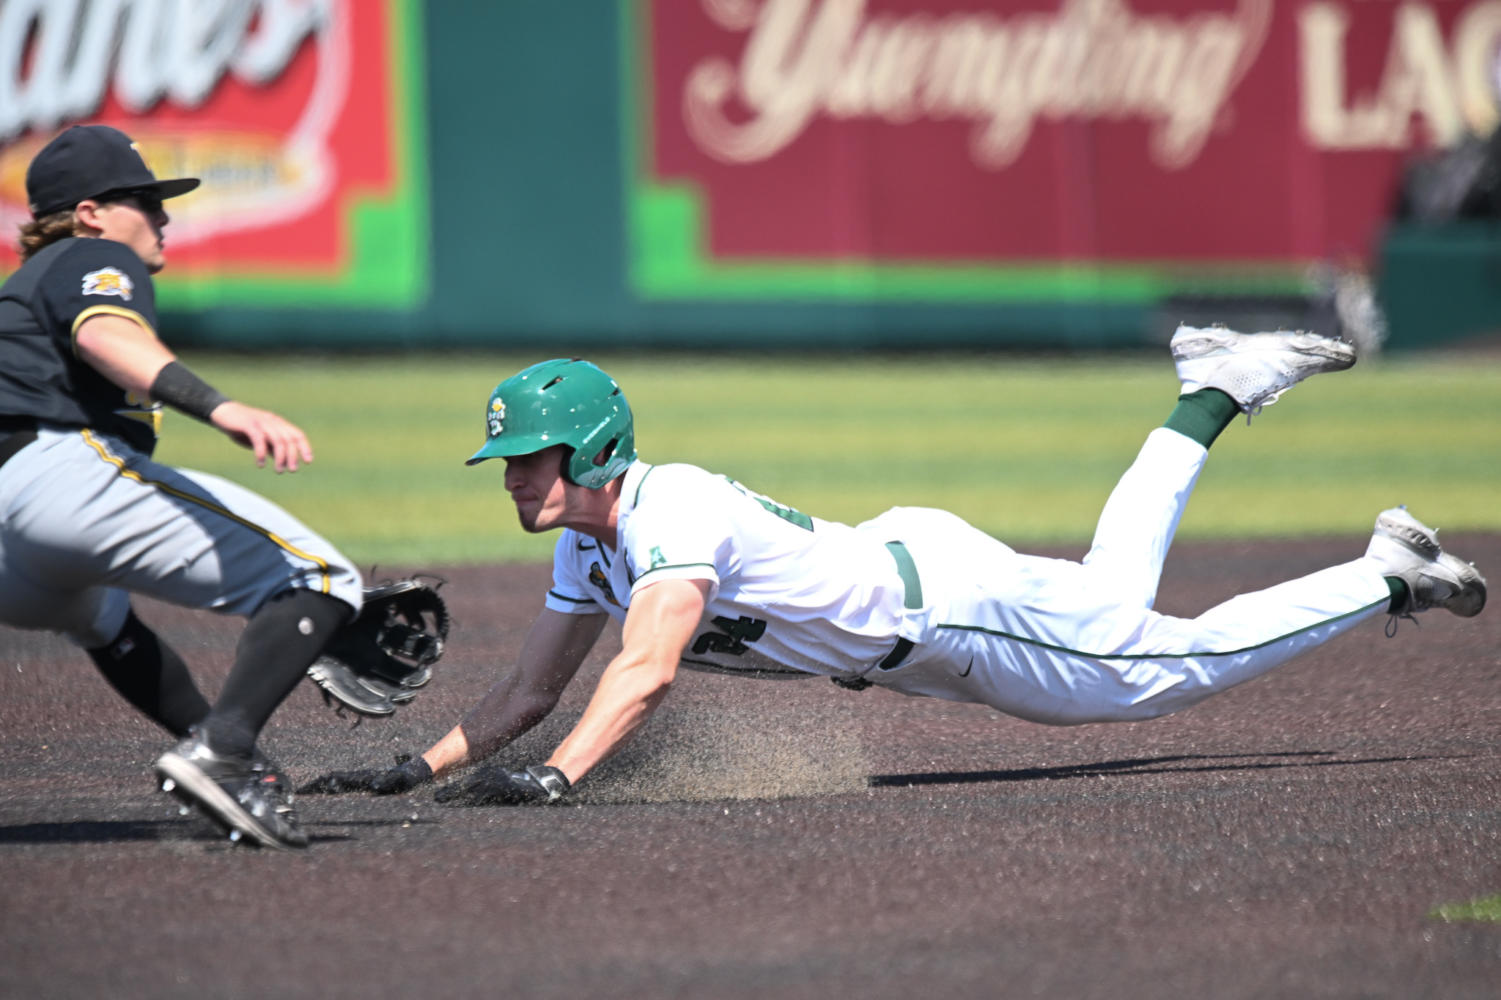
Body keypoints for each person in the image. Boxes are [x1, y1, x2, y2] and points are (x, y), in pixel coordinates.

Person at [306, 335, 1486, 805]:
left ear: (598, 451)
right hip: (917, 593)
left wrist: (558, 781)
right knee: (1116, 598)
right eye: (506, 459)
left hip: (955, 616)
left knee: (1161, 665)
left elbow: (648, 670)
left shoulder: (672, 515)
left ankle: (1381, 571)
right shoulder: (587, 542)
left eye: (532, 457)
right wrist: (415, 767)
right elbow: (531, 690)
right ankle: (1214, 387)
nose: (513, 476)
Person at [0, 124, 363, 848]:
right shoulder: (90, 254)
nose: (164, 217)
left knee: (104, 623)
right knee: (323, 578)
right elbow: (106, 333)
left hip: (16, 553)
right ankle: (221, 752)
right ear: (90, 212)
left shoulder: (24, 286)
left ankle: (220, 746)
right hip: (56, 476)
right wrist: (223, 408)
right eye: (144, 200)